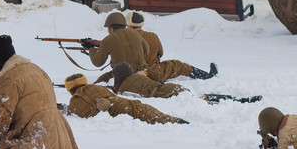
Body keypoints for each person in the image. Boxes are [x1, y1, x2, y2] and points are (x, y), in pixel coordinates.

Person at [63, 73, 188, 125]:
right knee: (154, 115)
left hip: (118, 112)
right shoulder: (97, 87)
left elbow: (77, 114)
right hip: (127, 104)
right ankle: (177, 121)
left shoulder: (75, 102)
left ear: (70, 91)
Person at [111, 62, 261, 104]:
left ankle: (238, 101)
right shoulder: (137, 77)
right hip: (168, 88)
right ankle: (238, 100)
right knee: (202, 99)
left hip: (167, 91)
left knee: (203, 101)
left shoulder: (125, 87)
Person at [127, 11, 217, 80]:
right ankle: (206, 76)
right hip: (154, 71)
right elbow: (160, 53)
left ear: (129, 26)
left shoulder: (124, 39)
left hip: (133, 74)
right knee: (179, 65)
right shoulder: (152, 36)